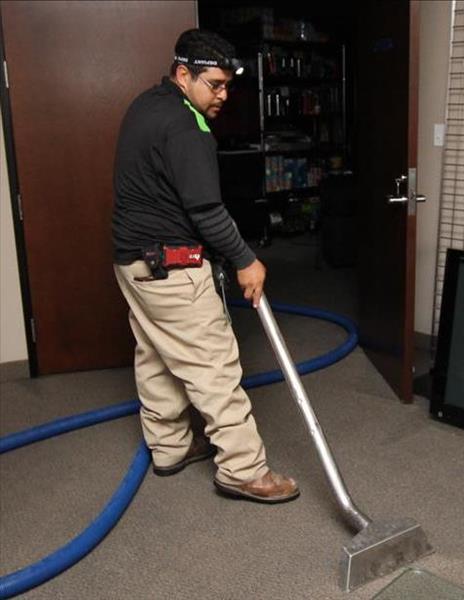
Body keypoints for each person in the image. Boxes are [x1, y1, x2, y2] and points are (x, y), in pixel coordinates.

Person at [111, 29, 298, 503]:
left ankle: (170, 447)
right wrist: (246, 260)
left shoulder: (145, 106)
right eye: (213, 85)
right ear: (182, 73)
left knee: (155, 356)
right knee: (214, 367)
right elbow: (206, 211)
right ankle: (242, 469)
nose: (222, 96)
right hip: (172, 269)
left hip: (133, 265)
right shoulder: (187, 127)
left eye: (227, 85)